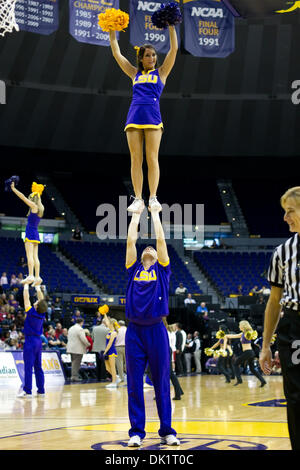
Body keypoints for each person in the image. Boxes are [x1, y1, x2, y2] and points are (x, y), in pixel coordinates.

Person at [124, 208, 179, 447]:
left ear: (158, 257)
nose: (149, 249)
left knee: (161, 382)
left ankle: (167, 430)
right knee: (134, 383)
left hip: (157, 330)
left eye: (152, 250)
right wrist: (136, 214)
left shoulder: (162, 270)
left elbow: (160, 240)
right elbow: (130, 241)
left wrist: (155, 213)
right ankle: (137, 431)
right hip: (134, 330)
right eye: (145, 249)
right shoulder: (133, 269)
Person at [109, 25, 178, 214]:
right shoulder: (134, 73)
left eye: (154, 55)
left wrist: (171, 27)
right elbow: (117, 53)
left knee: (152, 158)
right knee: (135, 159)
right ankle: (138, 198)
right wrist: (111, 30)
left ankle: (153, 197)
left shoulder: (162, 73)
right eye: (148, 55)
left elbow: (174, 50)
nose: (152, 58)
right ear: (140, 58)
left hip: (153, 116)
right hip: (134, 115)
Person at [259, 186, 300, 451]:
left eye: (291, 211)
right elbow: (274, 302)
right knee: (295, 397)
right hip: (294, 326)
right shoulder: (282, 252)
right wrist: (265, 345)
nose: (285, 218)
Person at [11, 181, 44, 286]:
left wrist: (13, 188)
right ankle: (37, 277)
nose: (29, 198)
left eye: (30, 197)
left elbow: (22, 197)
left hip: (30, 233)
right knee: (35, 256)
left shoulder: (34, 206)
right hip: (36, 233)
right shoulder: (41, 208)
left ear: (33, 198)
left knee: (29, 256)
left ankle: (30, 275)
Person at [17, 283, 48, 397]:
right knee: (38, 367)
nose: (35, 301)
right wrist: (37, 287)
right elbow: (42, 300)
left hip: (30, 341)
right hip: (38, 342)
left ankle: (28, 391)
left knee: (28, 367)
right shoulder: (42, 313)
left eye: (36, 302)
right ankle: (41, 391)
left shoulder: (31, 312)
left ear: (36, 306)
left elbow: (26, 298)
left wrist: (25, 285)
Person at [225, 320, 266, 387]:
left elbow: (253, 335)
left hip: (248, 352)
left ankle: (239, 380)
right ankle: (263, 381)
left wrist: (251, 333)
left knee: (235, 364)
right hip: (250, 353)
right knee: (252, 369)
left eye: (239, 325)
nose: (239, 326)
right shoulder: (242, 334)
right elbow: (233, 336)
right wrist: (226, 335)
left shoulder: (248, 333)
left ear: (243, 326)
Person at [102, 314, 119, 388]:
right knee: (107, 368)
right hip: (108, 351)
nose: (107, 324)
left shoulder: (114, 333)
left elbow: (110, 343)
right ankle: (116, 377)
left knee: (112, 367)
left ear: (112, 324)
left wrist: (105, 351)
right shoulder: (110, 330)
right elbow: (106, 321)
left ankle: (114, 382)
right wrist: (105, 314)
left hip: (111, 351)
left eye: (109, 323)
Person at [91, 316, 110, 381]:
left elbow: (92, 338)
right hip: (104, 348)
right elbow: (109, 340)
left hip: (96, 348)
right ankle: (103, 377)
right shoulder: (107, 330)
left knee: (98, 363)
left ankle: (98, 377)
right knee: (104, 364)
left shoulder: (94, 328)